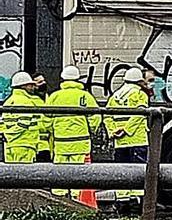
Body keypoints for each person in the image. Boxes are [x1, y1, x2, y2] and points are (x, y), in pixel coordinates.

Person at [46, 66, 101, 199]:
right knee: (79, 172)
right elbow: (95, 117)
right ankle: (76, 200)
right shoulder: (85, 96)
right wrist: (92, 129)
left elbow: (46, 117)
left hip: (60, 142)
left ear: (63, 78)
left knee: (59, 172)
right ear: (78, 79)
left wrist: (51, 130)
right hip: (80, 142)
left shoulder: (55, 96)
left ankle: (59, 199)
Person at [106, 67, 150, 210]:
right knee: (138, 172)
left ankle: (122, 201)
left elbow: (107, 116)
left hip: (119, 142)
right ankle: (138, 202)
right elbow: (140, 114)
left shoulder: (115, 96)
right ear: (139, 81)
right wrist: (126, 130)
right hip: (137, 140)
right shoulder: (140, 94)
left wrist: (113, 131)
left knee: (122, 172)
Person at [1, 72, 46, 164]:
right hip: (25, 144)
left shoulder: (8, 101)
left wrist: (8, 135)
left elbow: (2, 123)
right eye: (30, 85)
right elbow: (24, 123)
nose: (33, 87)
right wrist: (14, 135)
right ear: (23, 86)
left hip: (9, 145)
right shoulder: (26, 102)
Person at [30, 74, 52, 162]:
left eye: (43, 81)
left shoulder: (49, 98)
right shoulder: (30, 101)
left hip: (50, 144)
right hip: (36, 144)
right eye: (39, 82)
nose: (43, 83)